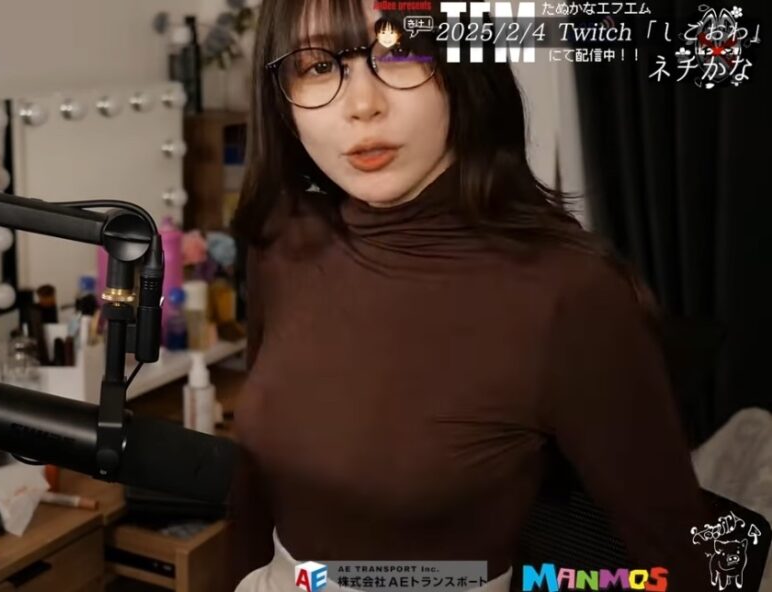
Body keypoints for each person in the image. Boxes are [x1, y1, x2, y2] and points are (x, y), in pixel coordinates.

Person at [222, 0, 717, 590]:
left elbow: (681, 561)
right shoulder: (282, 239)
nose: (362, 105)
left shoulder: (569, 293)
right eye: (318, 66)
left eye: (401, 50)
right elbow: (253, 496)